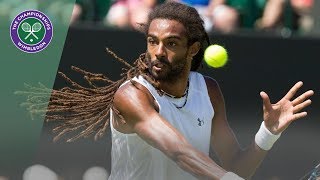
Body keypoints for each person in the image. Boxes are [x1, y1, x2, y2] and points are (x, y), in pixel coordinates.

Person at [20, 2, 313, 179]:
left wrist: (268, 133)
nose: (158, 52)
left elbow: (237, 167)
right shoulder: (131, 95)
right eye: (152, 41)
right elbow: (179, 151)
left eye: (171, 43)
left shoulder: (209, 91)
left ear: (193, 49)